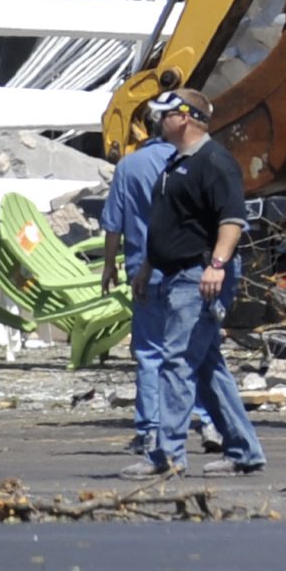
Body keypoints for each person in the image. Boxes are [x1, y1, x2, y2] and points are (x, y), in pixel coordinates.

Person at [135, 92, 265, 477]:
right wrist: (147, 268)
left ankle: (168, 456)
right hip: (175, 274)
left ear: (186, 118)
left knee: (176, 362)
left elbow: (232, 221)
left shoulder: (215, 162)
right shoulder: (176, 163)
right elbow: (171, 224)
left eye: (164, 115)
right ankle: (244, 450)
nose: (158, 122)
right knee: (206, 368)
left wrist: (217, 265)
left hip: (200, 275)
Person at [100, 105, 182, 473]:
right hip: (185, 268)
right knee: (188, 351)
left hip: (142, 270)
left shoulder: (128, 167)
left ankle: (149, 430)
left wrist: (107, 266)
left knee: (149, 353)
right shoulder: (187, 162)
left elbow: (113, 224)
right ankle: (203, 422)